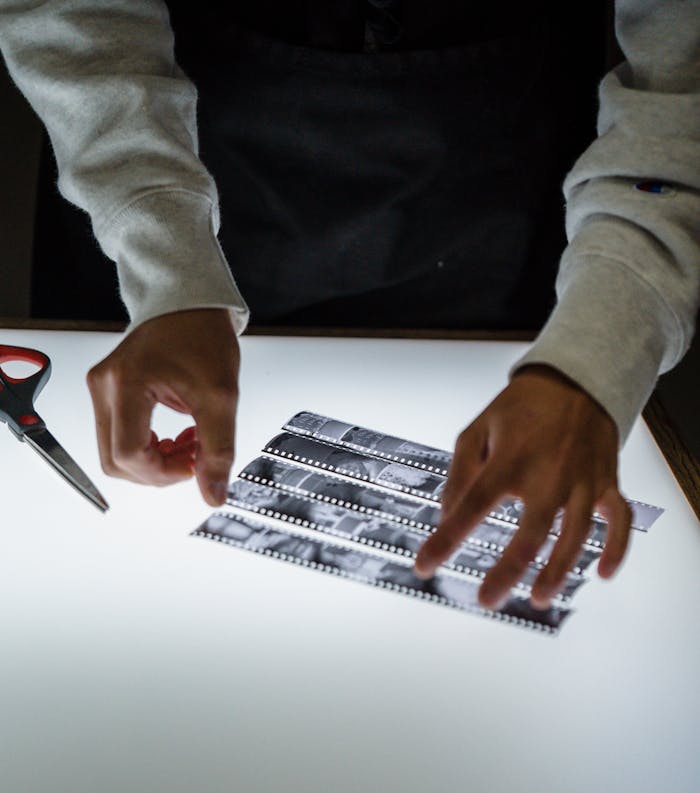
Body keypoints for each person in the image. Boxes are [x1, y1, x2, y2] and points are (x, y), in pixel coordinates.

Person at [1, 1, 698, 614]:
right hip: (164, 161)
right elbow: (73, 12)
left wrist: (595, 358)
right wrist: (164, 259)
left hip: (498, 195)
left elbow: (686, 84)